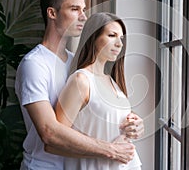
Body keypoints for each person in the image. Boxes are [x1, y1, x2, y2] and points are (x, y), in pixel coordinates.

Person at [15, 0, 144, 170]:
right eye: (75, 9)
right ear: (52, 13)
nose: (83, 17)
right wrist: (112, 150)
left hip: (77, 164)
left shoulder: (77, 62)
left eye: (84, 10)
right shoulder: (35, 65)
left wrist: (131, 122)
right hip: (44, 166)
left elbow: (95, 110)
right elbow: (49, 132)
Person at [46, 12, 142, 169]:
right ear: (93, 37)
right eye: (112, 35)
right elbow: (55, 144)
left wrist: (135, 126)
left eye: (122, 38)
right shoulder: (81, 81)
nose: (120, 44)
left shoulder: (112, 81)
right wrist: (110, 151)